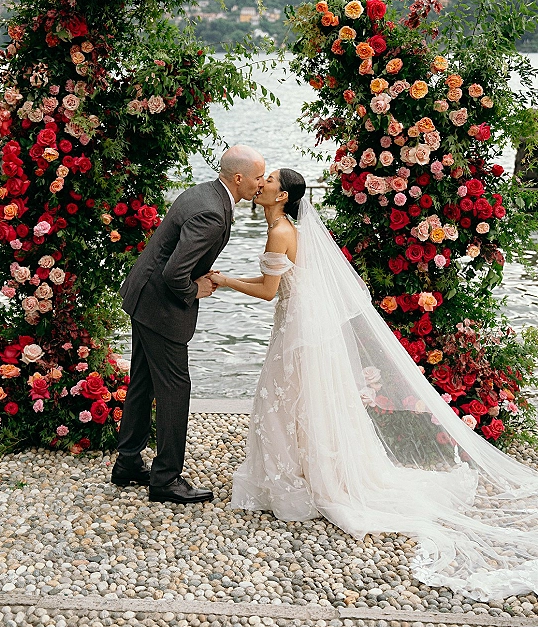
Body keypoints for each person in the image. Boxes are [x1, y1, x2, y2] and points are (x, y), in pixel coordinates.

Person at [210, 168, 538, 600]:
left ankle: (297, 478)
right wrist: (228, 279)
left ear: (282, 195)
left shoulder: (280, 232)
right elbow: (278, 284)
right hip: (304, 323)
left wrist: (221, 280)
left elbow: (270, 291)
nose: (262, 184)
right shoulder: (285, 227)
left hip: (298, 329)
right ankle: (303, 471)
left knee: (284, 397)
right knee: (296, 399)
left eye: (268, 180)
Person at [112, 144, 266, 504]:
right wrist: (196, 288)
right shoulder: (213, 213)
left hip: (143, 297)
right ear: (239, 178)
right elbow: (174, 273)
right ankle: (165, 479)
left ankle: (128, 462)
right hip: (159, 306)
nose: (261, 184)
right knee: (175, 389)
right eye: (258, 177)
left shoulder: (204, 192)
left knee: (143, 381)